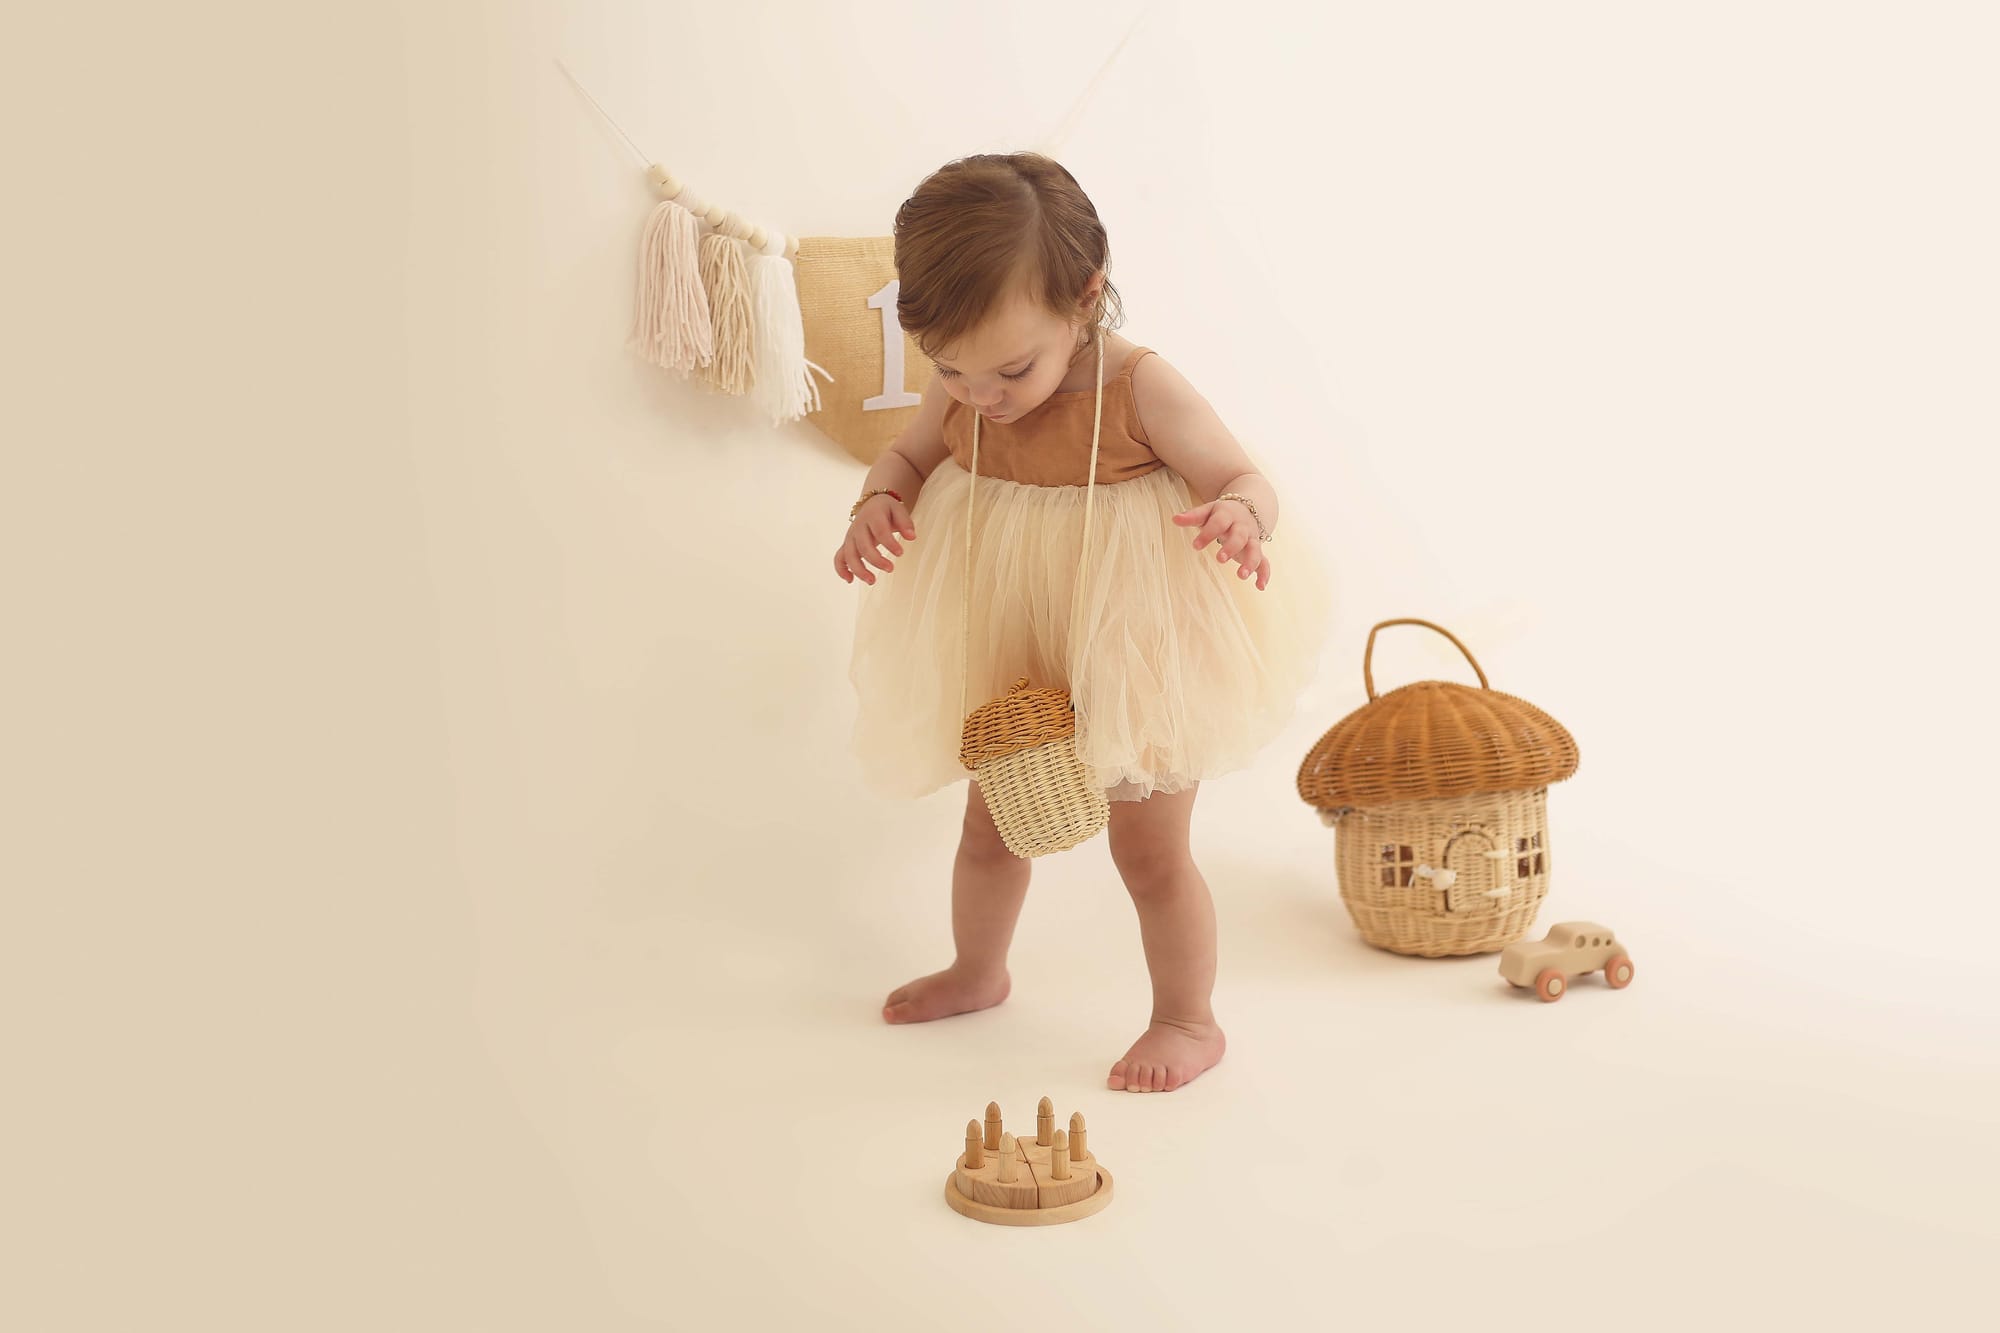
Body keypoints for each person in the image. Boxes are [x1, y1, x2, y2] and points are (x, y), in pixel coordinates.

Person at [835, 152, 1328, 1093]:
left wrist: (1240, 515)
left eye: (1011, 370)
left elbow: (1242, 476)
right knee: (992, 822)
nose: (981, 397)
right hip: (1013, 633)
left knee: (1149, 847)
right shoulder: (966, 381)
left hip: (1135, 635)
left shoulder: (1141, 387)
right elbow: (905, 456)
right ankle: (977, 969)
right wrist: (878, 501)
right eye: (951, 370)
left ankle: (1187, 1018)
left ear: (1085, 297)